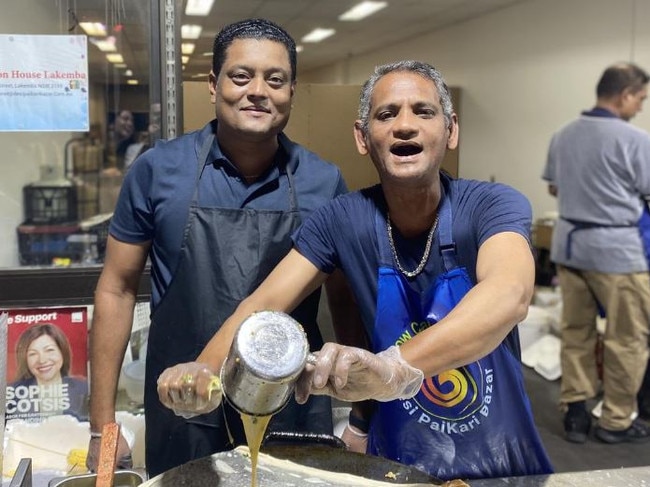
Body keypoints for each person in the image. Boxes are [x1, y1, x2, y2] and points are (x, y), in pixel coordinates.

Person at [158, 60, 554, 481]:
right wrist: (203, 367)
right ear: (363, 137)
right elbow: (263, 304)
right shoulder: (341, 221)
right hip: (396, 463)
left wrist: (392, 368)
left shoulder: (492, 206)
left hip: (504, 465)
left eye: (423, 112)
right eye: (386, 115)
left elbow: (508, 294)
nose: (405, 126)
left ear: (451, 130)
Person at [86, 18, 357, 477]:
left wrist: (362, 416)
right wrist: (101, 428)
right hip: (183, 406)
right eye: (240, 76)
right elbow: (116, 289)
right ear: (213, 85)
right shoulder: (158, 171)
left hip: (290, 405)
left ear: (292, 91)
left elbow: (345, 301)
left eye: (275, 79)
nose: (258, 91)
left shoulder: (323, 182)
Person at [542, 62, 650, 445]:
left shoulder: (563, 135)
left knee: (576, 332)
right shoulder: (636, 140)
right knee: (626, 338)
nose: (640, 106)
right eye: (640, 98)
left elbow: (555, 189)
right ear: (625, 94)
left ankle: (575, 415)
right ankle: (617, 421)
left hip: (570, 248)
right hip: (617, 253)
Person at [6, 323, 88, 422]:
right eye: (33, 354)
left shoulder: (83, 389)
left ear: (62, 351)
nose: (42, 360)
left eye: (49, 350)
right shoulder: (10, 394)